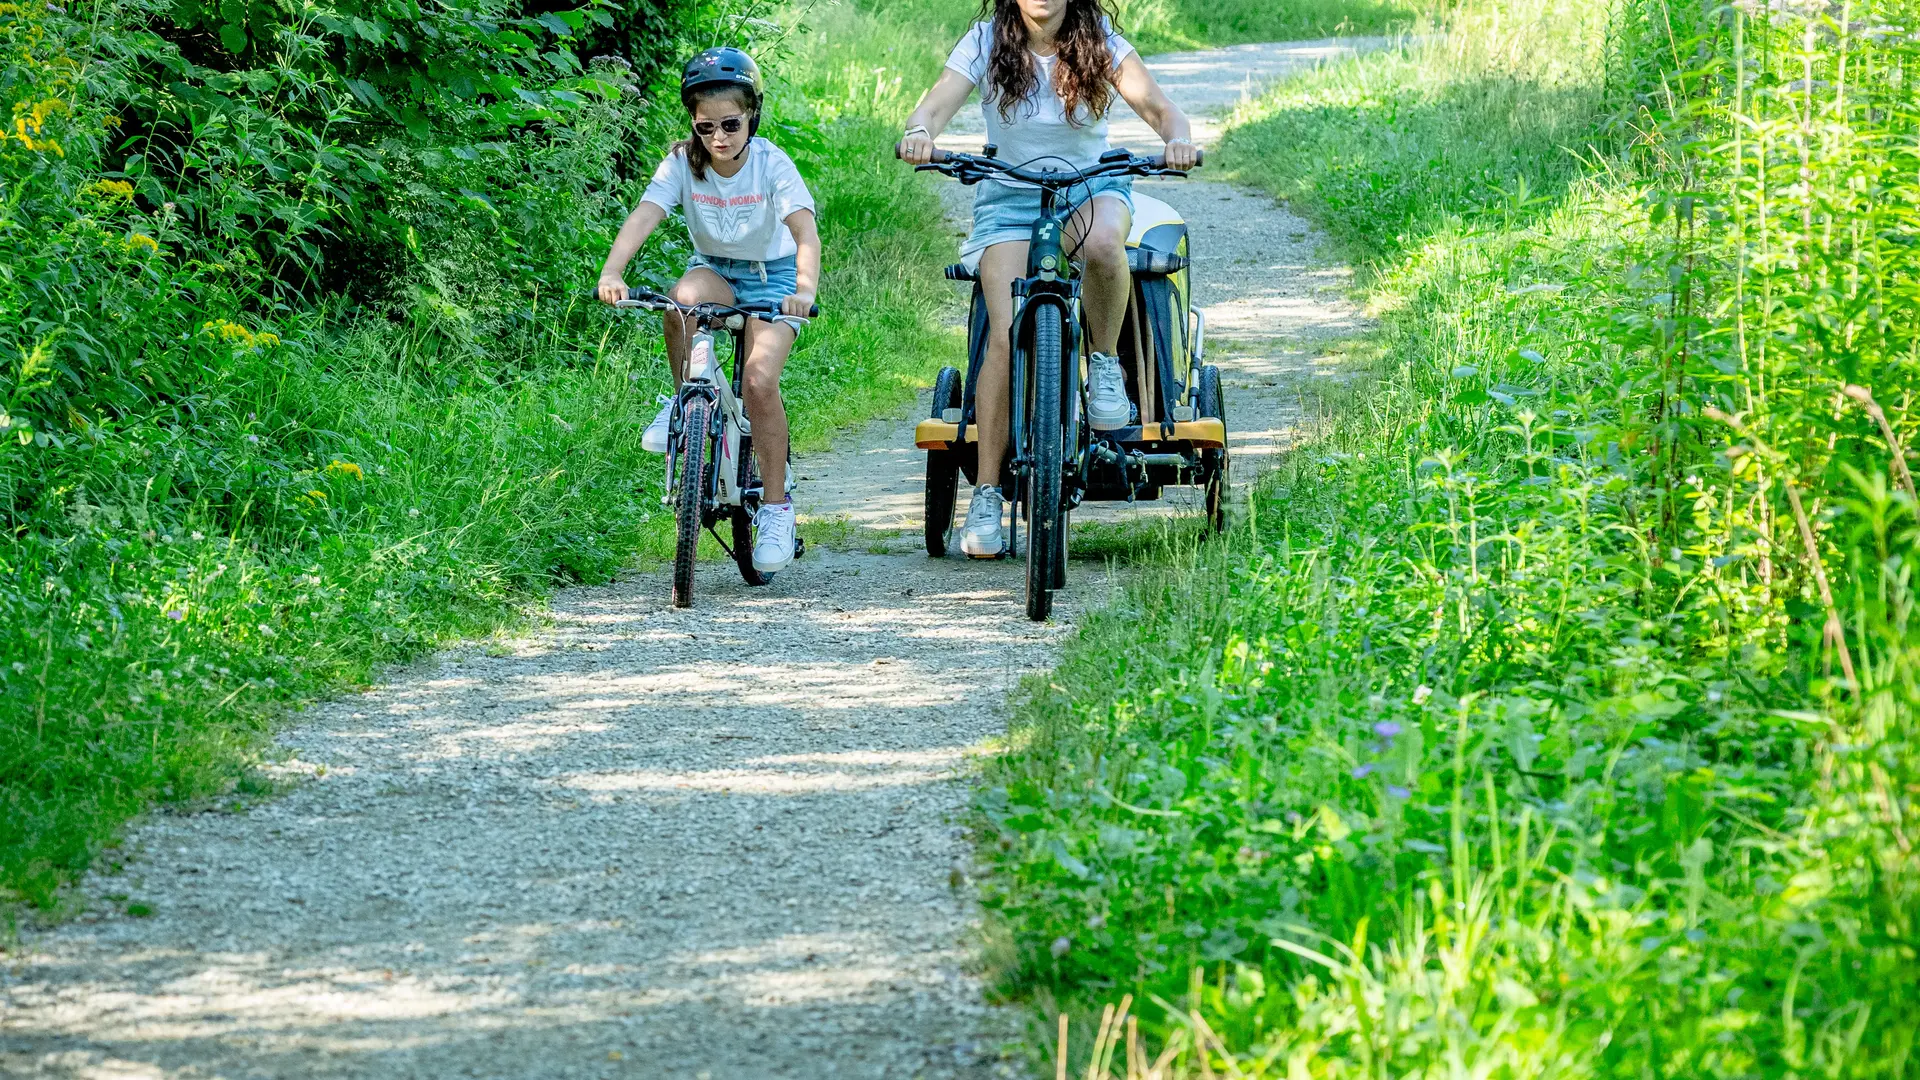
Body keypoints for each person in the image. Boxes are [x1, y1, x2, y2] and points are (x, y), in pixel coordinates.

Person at [899, 0, 1197, 557]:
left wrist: (1176, 138)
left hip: (1090, 190)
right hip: (1008, 199)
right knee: (1005, 334)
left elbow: (1161, 110)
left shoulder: (1099, 38)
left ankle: (1104, 365)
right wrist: (919, 131)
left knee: (1107, 244)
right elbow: (935, 105)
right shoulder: (985, 41)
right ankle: (987, 494)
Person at [597, 47, 819, 574]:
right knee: (680, 303)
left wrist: (804, 290)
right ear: (693, 126)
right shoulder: (681, 162)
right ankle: (684, 402)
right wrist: (612, 271)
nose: (718, 138)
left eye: (730, 124)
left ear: (752, 117)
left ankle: (776, 509)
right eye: (705, 127)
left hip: (774, 278)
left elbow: (804, 231)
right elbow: (645, 214)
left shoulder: (771, 164)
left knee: (760, 380)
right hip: (716, 269)